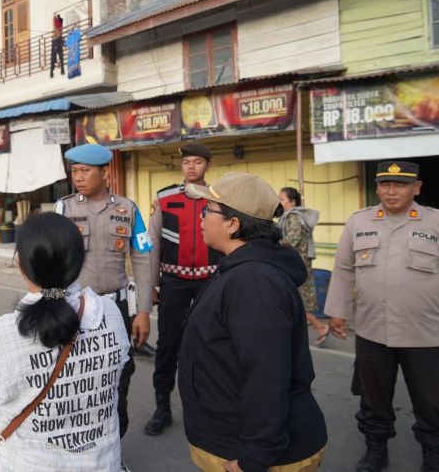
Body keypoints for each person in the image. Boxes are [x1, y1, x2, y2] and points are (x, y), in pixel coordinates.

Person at [180, 172, 327, 472]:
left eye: (207, 210)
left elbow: (267, 376)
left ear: (233, 225)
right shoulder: (241, 269)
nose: (201, 218)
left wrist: (254, 458)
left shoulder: (254, 282)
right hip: (227, 437)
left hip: (255, 454)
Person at [0, 212, 130, 471]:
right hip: (102, 463)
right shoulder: (110, 315)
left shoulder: (3, 334)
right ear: (79, 261)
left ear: (21, 264)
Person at [325, 161, 439, 472]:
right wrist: (337, 313)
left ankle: (433, 454)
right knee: (373, 400)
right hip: (372, 330)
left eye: (400, 184)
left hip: (426, 333)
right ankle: (376, 450)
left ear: (416, 188)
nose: (392, 190)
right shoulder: (359, 221)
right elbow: (345, 269)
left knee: (432, 402)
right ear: (376, 187)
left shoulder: (435, 222)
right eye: (385, 184)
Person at [55, 143, 153, 447]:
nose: (79, 177)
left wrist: (144, 311)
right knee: (76, 378)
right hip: (76, 309)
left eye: (85, 170)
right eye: (75, 171)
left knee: (120, 372)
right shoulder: (64, 209)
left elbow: (143, 257)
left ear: (104, 172)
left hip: (116, 309)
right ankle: (81, 447)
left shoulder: (128, 208)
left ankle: (114, 445)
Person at [145, 143, 223, 436]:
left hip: (210, 283)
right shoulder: (164, 197)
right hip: (173, 283)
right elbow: (151, 243)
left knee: (209, 347)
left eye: (198, 162)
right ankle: (161, 408)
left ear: (208, 166)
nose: (191, 167)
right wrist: (151, 284)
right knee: (167, 346)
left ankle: (208, 410)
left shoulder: (219, 198)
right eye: (187, 162)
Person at [278, 187, 328, 346]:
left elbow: (291, 241)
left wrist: (274, 243)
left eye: (282, 199)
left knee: (296, 300)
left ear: (293, 201)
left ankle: (320, 327)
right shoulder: (294, 216)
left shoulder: (293, 217)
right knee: (294, 299)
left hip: (295, 264)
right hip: (298, 263)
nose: (280, 203)